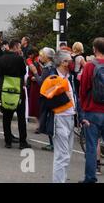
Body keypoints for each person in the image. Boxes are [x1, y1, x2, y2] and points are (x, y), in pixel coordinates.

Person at [41, 51, 79, 183]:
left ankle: (61, 179)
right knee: (61, 156)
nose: (72, 62)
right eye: (69, 60)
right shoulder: (52, 77)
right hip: (59, 118)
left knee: (67, 155)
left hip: (70, 118)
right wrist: (64, 98)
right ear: (63, 63)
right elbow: (45, 101)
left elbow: (74, 96)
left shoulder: (69, 77)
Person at [0, 39, 32, 150]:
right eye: (20, 47)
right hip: (18, 89)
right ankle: (22, 142)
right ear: (16, 47)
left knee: (6, 117)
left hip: (5, 89)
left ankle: (8, 141)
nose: (20, 49)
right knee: (21, 117)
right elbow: (23, 72)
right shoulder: (19, 59)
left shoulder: (1, 58)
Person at [79, 37, 104, 183]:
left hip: (92, 111)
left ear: (94, 49)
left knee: (91, 146)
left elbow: (83, 89)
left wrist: (82, 109)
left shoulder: (90, 66)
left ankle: (90, 178)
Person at [32, 47, 56, 149]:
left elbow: (42, 82)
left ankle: (52, 143)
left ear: (46, 57)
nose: (40, 57)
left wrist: (35, 73)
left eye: (41, 55)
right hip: (54, 95)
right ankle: (53, 143)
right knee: (52, 118)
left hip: (47, 96)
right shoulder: (54, 66)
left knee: (47, 118)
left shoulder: (47, 68)